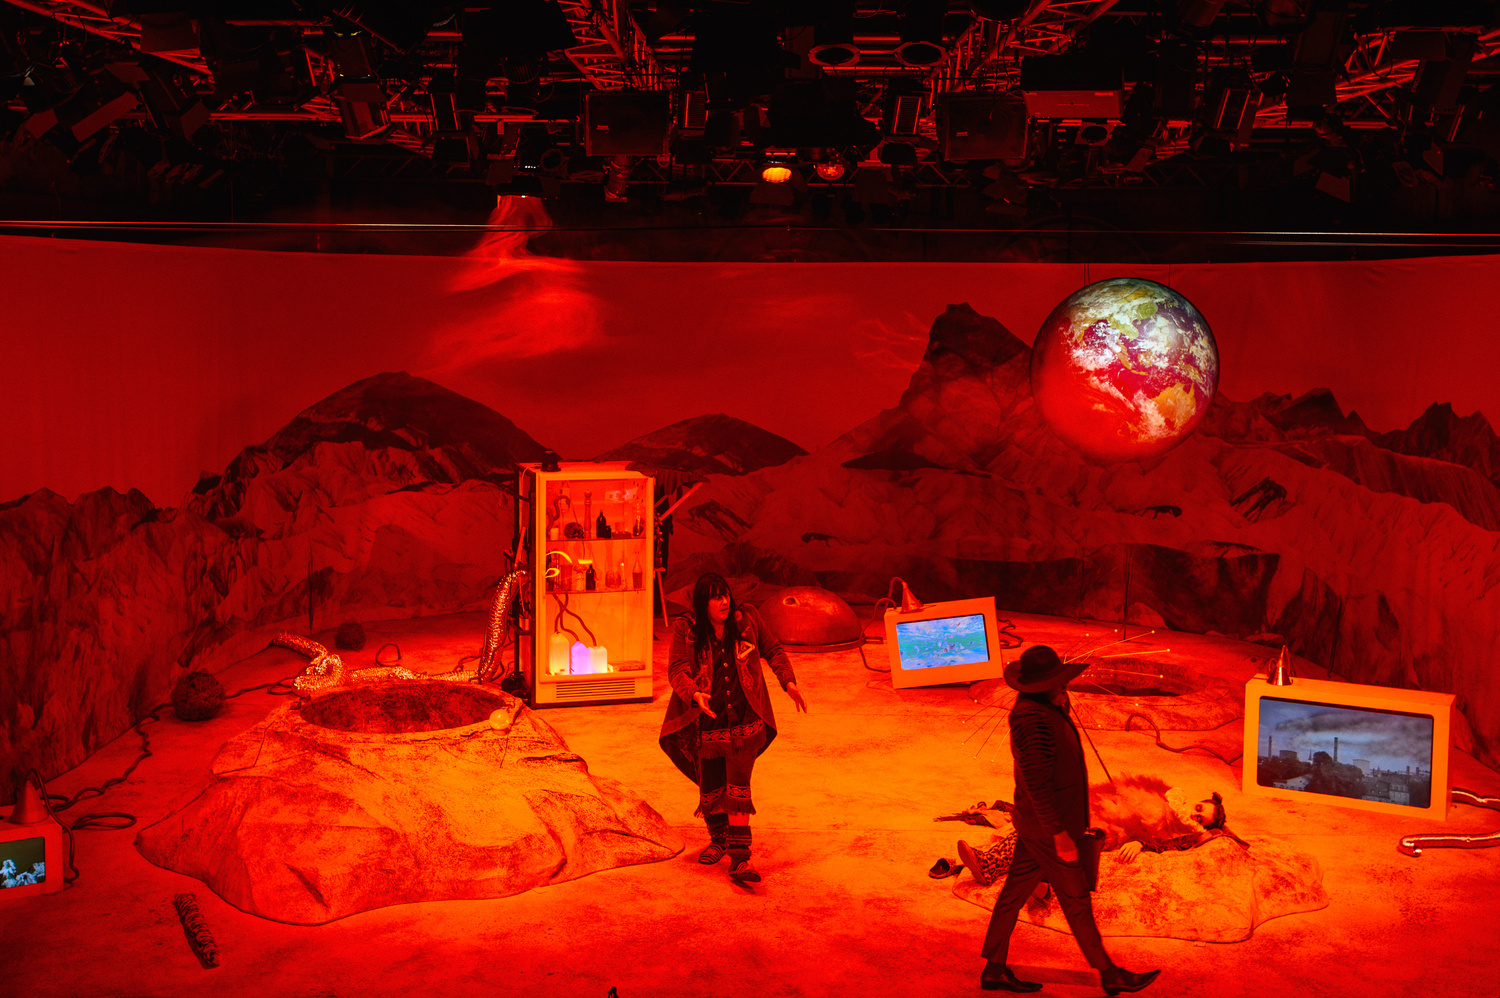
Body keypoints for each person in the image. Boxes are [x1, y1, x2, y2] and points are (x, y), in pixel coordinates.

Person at [978, 645, 1160, 995]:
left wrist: (1061, 705)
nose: (1065, 686)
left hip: (1037, 826)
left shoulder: (1045, 707)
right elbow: (1036, 784)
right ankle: (1110, 975)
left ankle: (994, 969)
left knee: (1013, 894)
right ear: (1040, 686)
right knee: (1077, 902)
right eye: (1058, 682)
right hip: (1050, 830)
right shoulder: (1032, 720)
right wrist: (1060, 836)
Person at [658, 573, 807, 883]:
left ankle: (740, 860)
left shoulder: (747, 619)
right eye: (715, 597)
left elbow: (772, 649)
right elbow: (677, 668)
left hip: (744, 719)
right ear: (703, 604)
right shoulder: (688, 628)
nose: (723, 601)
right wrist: (693, 693)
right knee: (711, 784)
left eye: (725, 594)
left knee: (738, 789)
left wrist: (788, 681)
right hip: (708, 720)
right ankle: (719, 840)